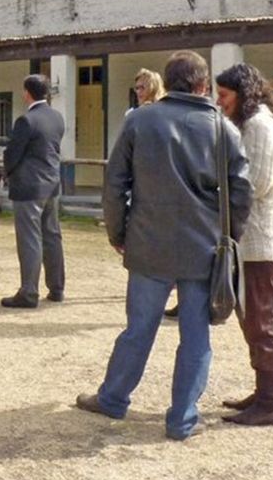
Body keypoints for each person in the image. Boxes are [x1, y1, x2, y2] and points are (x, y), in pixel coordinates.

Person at [77, 50, 252, 441]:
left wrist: (118, 232)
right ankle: (182, 417)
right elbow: (242, 191)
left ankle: (114, 397)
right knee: (196, 337)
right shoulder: (222, 128)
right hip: (203, 248)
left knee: (138, 329)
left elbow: (114, 183)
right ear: (203, 84)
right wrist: (229, 237)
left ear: (167, 82)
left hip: (148, 241)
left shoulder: (141, 120)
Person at [215, 63, 273, 427]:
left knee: (260, 322)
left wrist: (216, 189)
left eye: (225, 95)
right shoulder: (255, 124)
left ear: (242, 95)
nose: (220, 101)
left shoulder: (260, 127)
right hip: (256, 242)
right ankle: (262, 393)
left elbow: (254, 184)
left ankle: (270, 402)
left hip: (262, 243)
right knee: (252, 320)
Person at [1, 75, 67, 309]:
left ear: (27, 93)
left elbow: (12, 153)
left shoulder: (26, 121)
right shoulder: (57, 117)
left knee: (30, 238)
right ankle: (57, 287)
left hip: (29, 185)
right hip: (52, 183)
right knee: (52, 235)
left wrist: (7, 172)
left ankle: (29, 291)